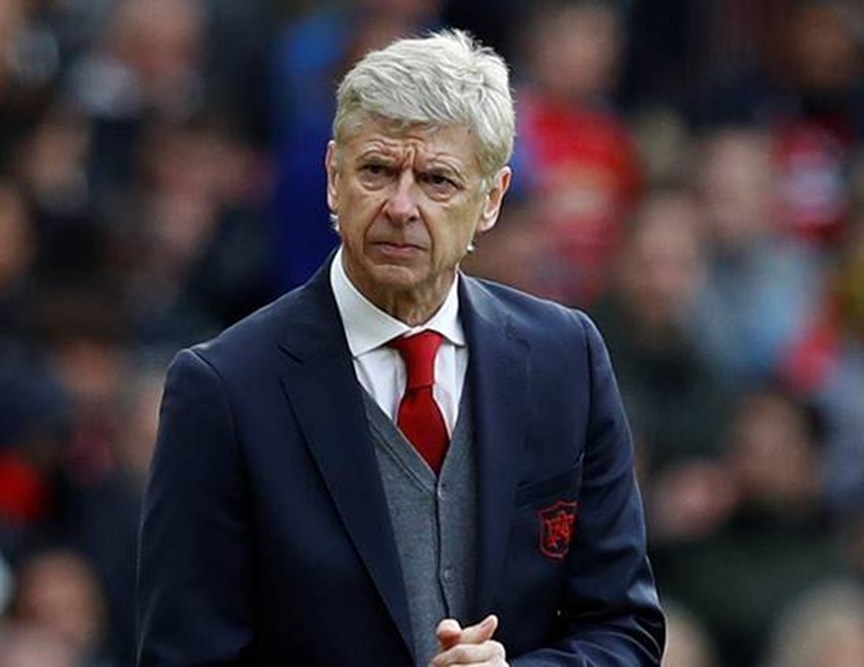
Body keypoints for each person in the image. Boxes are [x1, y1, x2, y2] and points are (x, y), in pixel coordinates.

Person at [136, 30, 664, 666]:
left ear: (491, 200)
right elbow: (185, 657)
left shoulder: (566, 358)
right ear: (333, 178)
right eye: (377, 171)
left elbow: (624, 629)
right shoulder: (223, 388)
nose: (401, 206)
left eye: (437, 180)